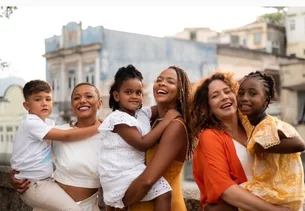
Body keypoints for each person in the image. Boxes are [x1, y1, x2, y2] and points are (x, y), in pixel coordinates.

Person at [190, 72, 292, 211]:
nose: (224, 97)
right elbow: (224, 188)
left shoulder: (253, 128)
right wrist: (274, 210)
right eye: (215, 96)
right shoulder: (210, 136)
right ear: (207, 107)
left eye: (227, 91)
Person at [10, 82, 103, 211]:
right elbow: (28, 151)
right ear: (72, 105)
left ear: (100, 103)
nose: (82, 101)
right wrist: (16, 175)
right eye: (76, 98)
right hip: (49, 205)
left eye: (89, 96)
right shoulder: (57, 131)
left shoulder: (109, 136)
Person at [98, 64, 180, 211]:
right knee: (164, 192)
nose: (134, 97)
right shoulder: (118, 119)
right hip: (118, 173)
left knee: (163, 193)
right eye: (128, 92)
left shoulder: (141, 114)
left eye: (138, 92)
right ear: (116, 96)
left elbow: (162, 107)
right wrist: (167, 121)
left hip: (132, 170)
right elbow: (143, 144)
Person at [122, 66, 193, 211]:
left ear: (180, 92)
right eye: (159, 80)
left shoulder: (175, 126)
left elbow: (147, 181)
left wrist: (120, 201)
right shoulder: (153, 121)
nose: (162, 83)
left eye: (170, 81)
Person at [237, 70, 305, 210]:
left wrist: (262, 146)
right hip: (274, 191)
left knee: (228, 193)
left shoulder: (269, 125)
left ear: (266, 100)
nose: (244, 98)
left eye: (252, 93)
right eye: (241, 93)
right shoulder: (250, 121)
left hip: (282, 196)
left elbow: (299, 144)